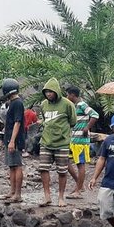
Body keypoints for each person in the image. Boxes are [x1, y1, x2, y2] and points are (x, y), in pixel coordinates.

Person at [38, 78, 76, 207]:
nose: (48, 94)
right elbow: (43, 119)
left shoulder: (67, 104)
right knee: (43, 168)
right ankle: (47, 196)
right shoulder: (43, 105)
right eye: (46, 92)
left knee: (62, 171)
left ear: (57, 91)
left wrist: (61, 131)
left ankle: (60, 197)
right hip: (46, 142)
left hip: (62, 143)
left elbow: (73, 121)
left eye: (51, 91)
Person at [65, 86, 99, 199]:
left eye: (67, 95)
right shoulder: (74, 106)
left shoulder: (82, 105)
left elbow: (95, 115)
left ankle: (78, 190)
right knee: (65, 161)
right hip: (74, 139)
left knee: (80, 164)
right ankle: (79, 185)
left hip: (81, 140)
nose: (66, 97)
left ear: (72, 95)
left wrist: (87, 128)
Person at [1, 79, 25, 203]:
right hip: (10, 138)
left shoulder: (17, 103)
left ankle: (18, 194)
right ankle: (12, 191)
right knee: (11, 166)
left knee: (17, 165)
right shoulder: (13, 103)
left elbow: (17, 122)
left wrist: (12, 141)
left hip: (14, 140)